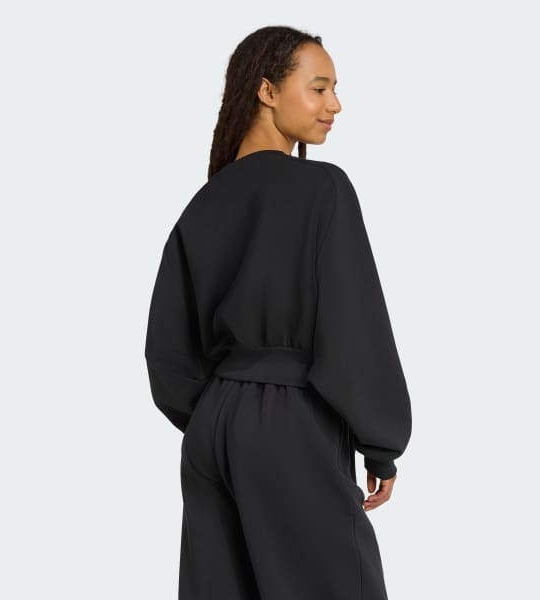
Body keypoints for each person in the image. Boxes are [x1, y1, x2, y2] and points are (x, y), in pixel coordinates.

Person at [144, 25, 412, 600]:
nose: (334, 105)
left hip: (212, 430)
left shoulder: (204, 202)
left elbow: (167, 351)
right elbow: (353, 325)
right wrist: (382, 442)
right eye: (319, 88)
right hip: (290, 421)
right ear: (267, 90)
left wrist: (222, 417)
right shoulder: (322, 189)